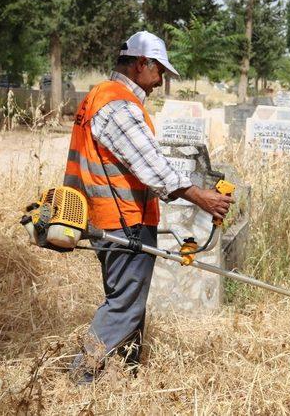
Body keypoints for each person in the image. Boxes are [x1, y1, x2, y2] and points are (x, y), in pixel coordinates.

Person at [64, 31, 233, 382]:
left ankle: (128, 374)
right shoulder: (118, 103)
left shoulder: (98, 96)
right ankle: (79, 379)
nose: (160, 83)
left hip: (105, 216)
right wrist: (201, 197)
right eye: (159, 72)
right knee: (123, 306)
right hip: (123, 218)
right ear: (142, 63)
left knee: (128, 301)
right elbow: (151, 165)